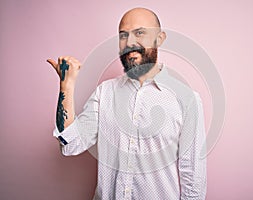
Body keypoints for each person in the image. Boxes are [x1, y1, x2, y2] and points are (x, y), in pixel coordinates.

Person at [47, 7, 207, 200]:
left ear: (159, 38)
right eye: (123, 35)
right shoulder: (104, 93)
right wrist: (67, 85)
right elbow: (70, 145)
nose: (130, 42)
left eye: (140, 32)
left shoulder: (187, 99)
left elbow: (194, 179)